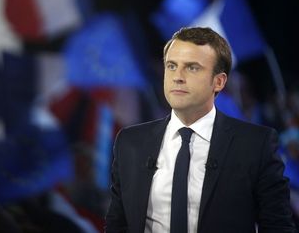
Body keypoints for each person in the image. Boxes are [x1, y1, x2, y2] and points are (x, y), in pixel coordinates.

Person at [105, 27, 296, 233]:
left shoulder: (256, 144)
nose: (178, 77)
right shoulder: (131, 143)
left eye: (192, 68)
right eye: (171, 66)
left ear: (219, 81)